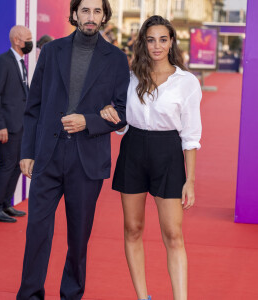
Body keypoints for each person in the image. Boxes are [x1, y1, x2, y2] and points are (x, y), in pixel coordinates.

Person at [17, 0, 130, 299]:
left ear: (104, 15)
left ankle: (71, 294)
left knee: (78, 239)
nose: (90, 17)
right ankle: (29, 295)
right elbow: (34, 106)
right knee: (37, 233)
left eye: (96, 11)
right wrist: (27, 151)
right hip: (48, 157)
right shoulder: (52, 51)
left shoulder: (117, 59)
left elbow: (121, 111)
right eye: (85, 10)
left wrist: (88, 121)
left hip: (87, 161)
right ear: (75, 14)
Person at [100, 15, 202, 300]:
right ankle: (143, 297)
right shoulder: (130, 77)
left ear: (171, 42)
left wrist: (190, 180)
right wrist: (113, 117)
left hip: (168, 153)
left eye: (163, 39)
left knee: (173, 234)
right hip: (132, 151)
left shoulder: (187, 82)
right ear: (143, 42)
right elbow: (123, 122)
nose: (157, 46)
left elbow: (191, 136)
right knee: (132, 229)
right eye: (151, 39)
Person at [0, 25, 33, 223]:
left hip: (20, 125)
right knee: (7, 165)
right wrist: (0, 125)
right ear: (16, 40)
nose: (31, 42)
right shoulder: (2, 62)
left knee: (15, 166)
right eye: (28, 38)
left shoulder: (20, 62)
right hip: (7, 126)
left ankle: (5, 204)